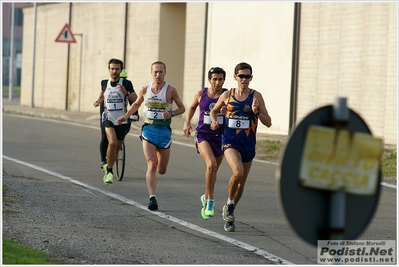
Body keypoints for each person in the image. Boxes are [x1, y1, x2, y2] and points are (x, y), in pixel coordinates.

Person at [210, 62, 272, 232]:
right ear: (235, 77)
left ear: (251, 78)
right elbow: (214, 111)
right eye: (241, 76)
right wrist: (215, 121)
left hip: (248, 144)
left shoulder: (256, 96)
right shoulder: (227, 95)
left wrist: (257, 112)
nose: (244, 79)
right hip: (230, 141)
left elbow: (268, 122)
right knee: (237, 172)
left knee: (242, 182)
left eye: (247, 76)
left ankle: (230, 210)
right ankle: (229, 204)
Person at [116, 61, 186, 211]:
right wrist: (126, 116)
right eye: (155, 72)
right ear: (151, 73)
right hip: (148, 129)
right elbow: (136, 104)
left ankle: (156, 179)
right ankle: (152, 198)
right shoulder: (145, 89)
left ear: (165, 73)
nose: (158, 75)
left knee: (162, 169)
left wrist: (171, 113)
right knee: (152, 163)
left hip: (164, 132)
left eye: (161, 72)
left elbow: (182, 108)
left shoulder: (171, 90)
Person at [182, 67, 228, 220]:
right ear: (209, 80)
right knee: (211, 165)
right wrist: (187, 123)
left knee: (213, 172)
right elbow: (192, 107)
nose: (217, 82)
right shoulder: (201, 94)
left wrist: (226, 113)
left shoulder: (228, 95)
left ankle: (205, 195)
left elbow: (234, 112)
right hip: (203, 135)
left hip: (221, 137)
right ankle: (210, 201)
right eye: (214, 79)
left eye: (220, 79)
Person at [93, 58, 138, 184]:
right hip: (108, 118)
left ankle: (111, 161)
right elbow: (103, 93)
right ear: (109, 69)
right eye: (112, 69)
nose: (114, 71)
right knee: (112, 142)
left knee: (116, 146)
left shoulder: (127, 83)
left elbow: (136, 100)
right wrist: (98, 100)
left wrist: (126, 92)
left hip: (122, 119)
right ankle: (109, 172)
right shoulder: (104, 82)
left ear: (121, 70)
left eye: (117, 69)